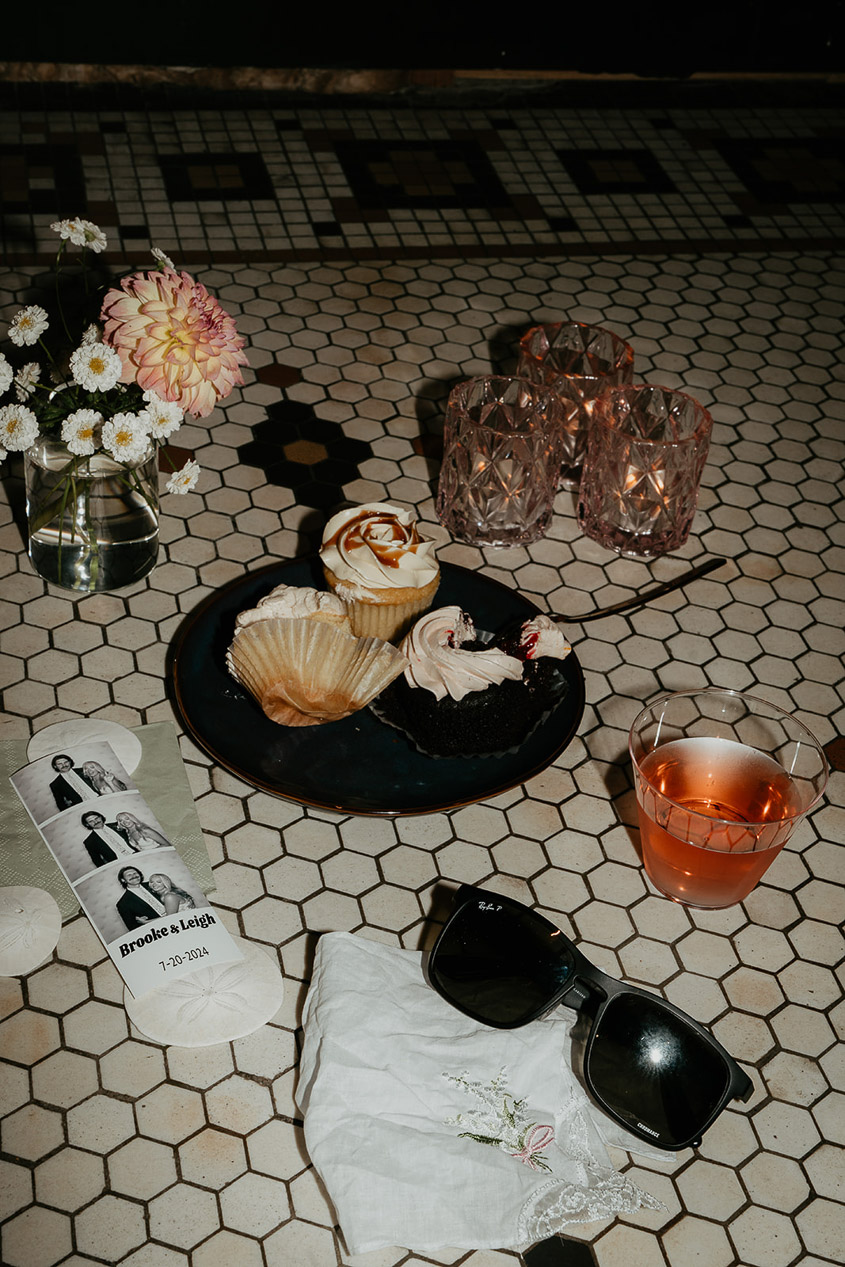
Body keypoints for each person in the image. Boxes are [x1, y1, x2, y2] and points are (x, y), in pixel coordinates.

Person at [115, 866, 166, 930]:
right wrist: (142, 923)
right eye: (129, 875)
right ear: (123, 880)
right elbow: (133, 928)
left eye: (135, 873)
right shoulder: (123, 903)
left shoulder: (154, 884)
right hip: (158, 929)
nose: (133, 876)